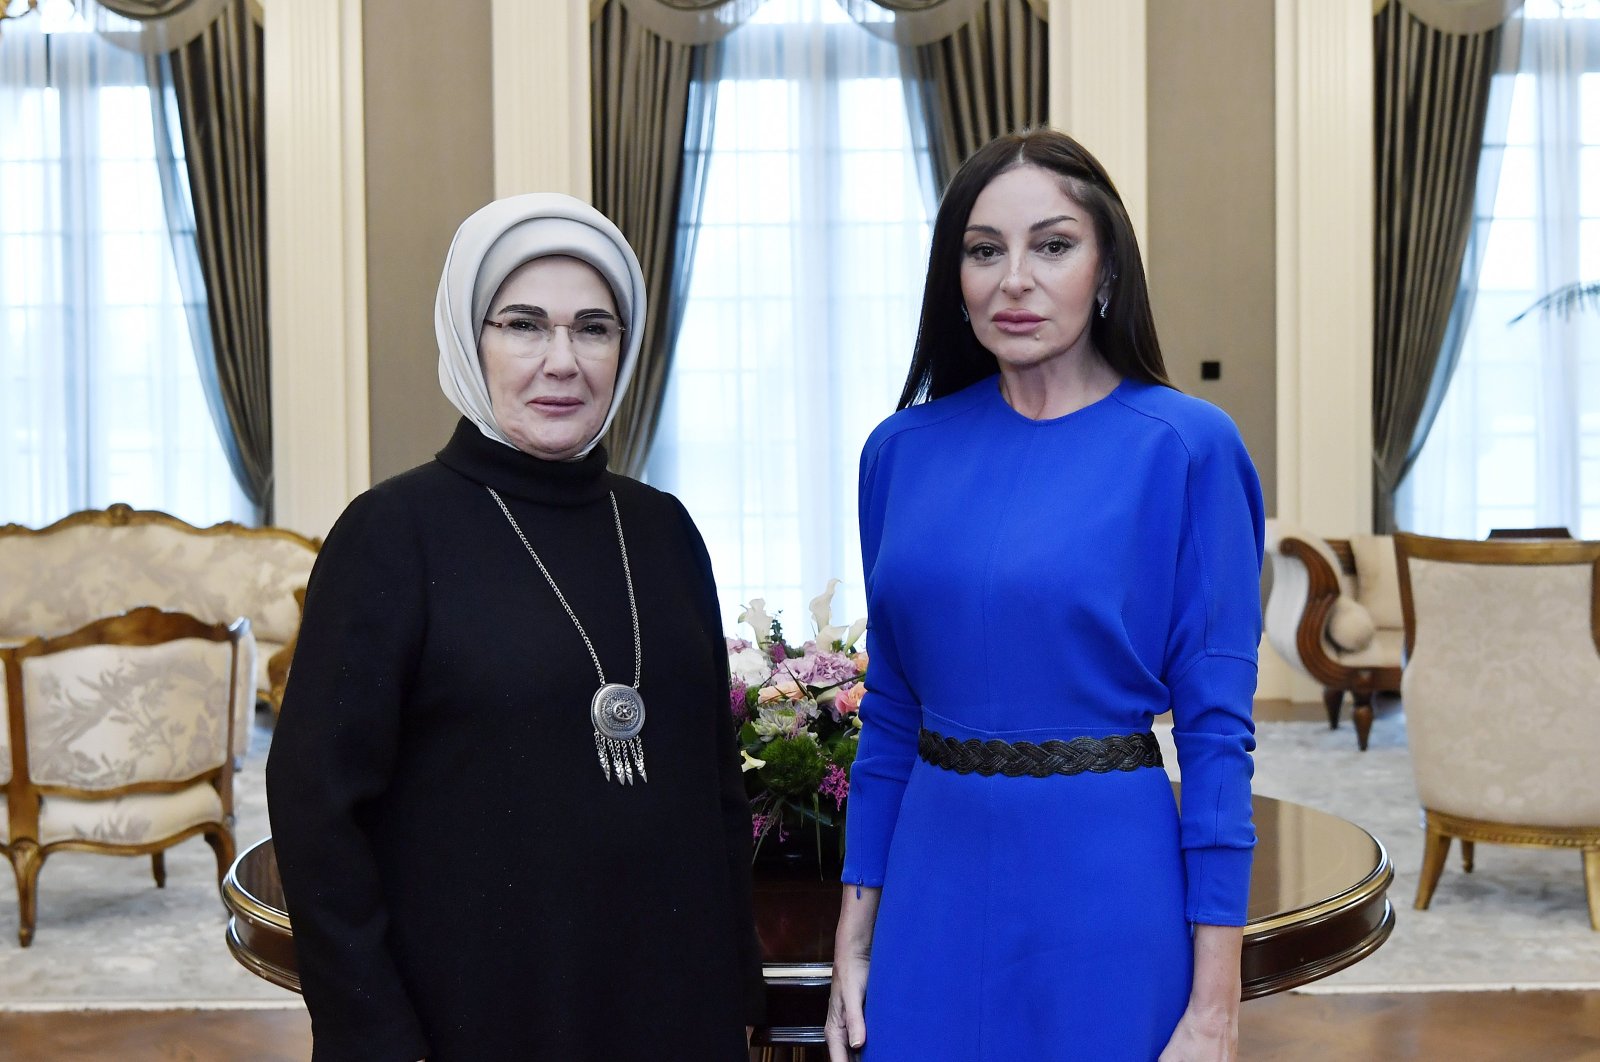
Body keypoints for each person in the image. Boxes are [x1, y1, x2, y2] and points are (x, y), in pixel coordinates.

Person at [267, 193, 764, 1062]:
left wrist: (732, 990)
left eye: (594, 328)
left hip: (672, 1012)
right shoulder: (391, 534)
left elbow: (714, 787)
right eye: (525, 325)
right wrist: (372, 1036)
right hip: (471, 1015)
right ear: (471, 338)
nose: (562, 362)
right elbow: (319, 819)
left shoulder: (664, 528)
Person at [824, 131, 1264, 1062]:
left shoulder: (1186, 448)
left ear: (1106, 269)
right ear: (957, 278)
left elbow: (1218, 737)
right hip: (930, 888)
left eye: (1052, 246)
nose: (1013, 279)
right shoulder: (898, 454)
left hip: (1107, 887)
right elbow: (892, 712)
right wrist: (854, 933)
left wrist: (1216, 1004)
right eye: (985, 251)